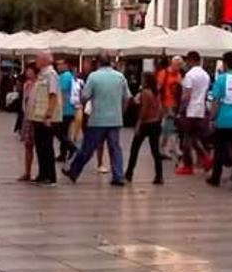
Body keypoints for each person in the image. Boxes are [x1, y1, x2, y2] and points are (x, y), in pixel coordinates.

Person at [63, 53, 131, 186]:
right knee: (115, 148)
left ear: (98, 63)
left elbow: (85, 96)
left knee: (88, 148)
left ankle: (74, 171)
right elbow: (127, 97)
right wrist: (121, 111)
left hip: (97, 119)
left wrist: (83, 105)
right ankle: (118, 176)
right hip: (115, 119)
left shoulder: (94, 77)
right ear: (110, 62)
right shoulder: (120, 77)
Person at [207, 52, 232, 190]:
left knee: (219, 150)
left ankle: (215, 177)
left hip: (223, 120)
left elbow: (216, 101)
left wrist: (212, 117)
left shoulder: (222, 79)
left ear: (225, 64)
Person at [28, 51, 62, 186]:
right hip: (37, 116)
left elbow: (52, 95)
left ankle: (50, 176)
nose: (36, 61)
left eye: (38, 58)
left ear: (45, 60)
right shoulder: (42, 74)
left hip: (46, 118)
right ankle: (42, 174)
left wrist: (49, 115)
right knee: (40, 147)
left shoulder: (51, 75)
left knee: (46, 147)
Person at [175, 51, 211, 175]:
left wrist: (180, 109)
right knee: (194, 137)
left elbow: (187, 94)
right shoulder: (206, 75)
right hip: (200, 109)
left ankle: (188, 165)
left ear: (190, 60)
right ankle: (206, 158)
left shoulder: (189, 75)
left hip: (190, 110)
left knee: (186, 138)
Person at [124, 72, 164, 185]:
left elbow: (143, 110)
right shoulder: (156, 93)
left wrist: (138, 124)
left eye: (143, 79)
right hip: (155, 123)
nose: (141, 81)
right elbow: (160, 109)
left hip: (146, 124)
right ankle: (159, 175)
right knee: (155, 151)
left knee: (135, 148)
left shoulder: (145, 93)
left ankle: (129, 173)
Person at [156, 56, 183, 160]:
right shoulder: (163, 74)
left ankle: (170, 148)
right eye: (177, 64)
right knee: (165, 128)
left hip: (175, 105)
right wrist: (160, 105)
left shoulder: (179, 75)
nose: (179, 67)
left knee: (172, 128)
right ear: (172, 64)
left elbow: (180, 90)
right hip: (165, 104)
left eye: (180, 65)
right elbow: (158, 90)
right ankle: (164, 149)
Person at [18, 64, 38, 182]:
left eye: (29, 71)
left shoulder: (39, 84)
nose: (27, 73)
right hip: (27, 116)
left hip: (36, 117)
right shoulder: (27, 85)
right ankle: (27, 171)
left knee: (38, 146)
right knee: (28, 145)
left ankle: (39, 171)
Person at [56, 60, 78, 162]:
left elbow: (62, 91)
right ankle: (63, 153)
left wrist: (60, 107)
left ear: (66, 65)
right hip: (68, 109)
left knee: (59, 132)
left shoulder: (65, 76)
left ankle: (72, 148)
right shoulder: (67, 76)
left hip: (66, 109)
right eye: (57, 65)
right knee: (63, 132)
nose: (58, 66)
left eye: (60, 64)